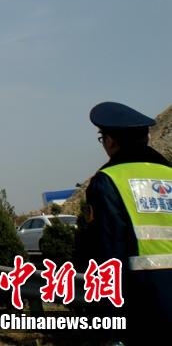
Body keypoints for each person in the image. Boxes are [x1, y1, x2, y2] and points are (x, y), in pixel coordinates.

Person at [77, 101, 172, 335]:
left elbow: (108, 252)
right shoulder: (169, 174)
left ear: (111, 141)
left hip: (144, 300)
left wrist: (109, 321)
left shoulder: (108, 180)